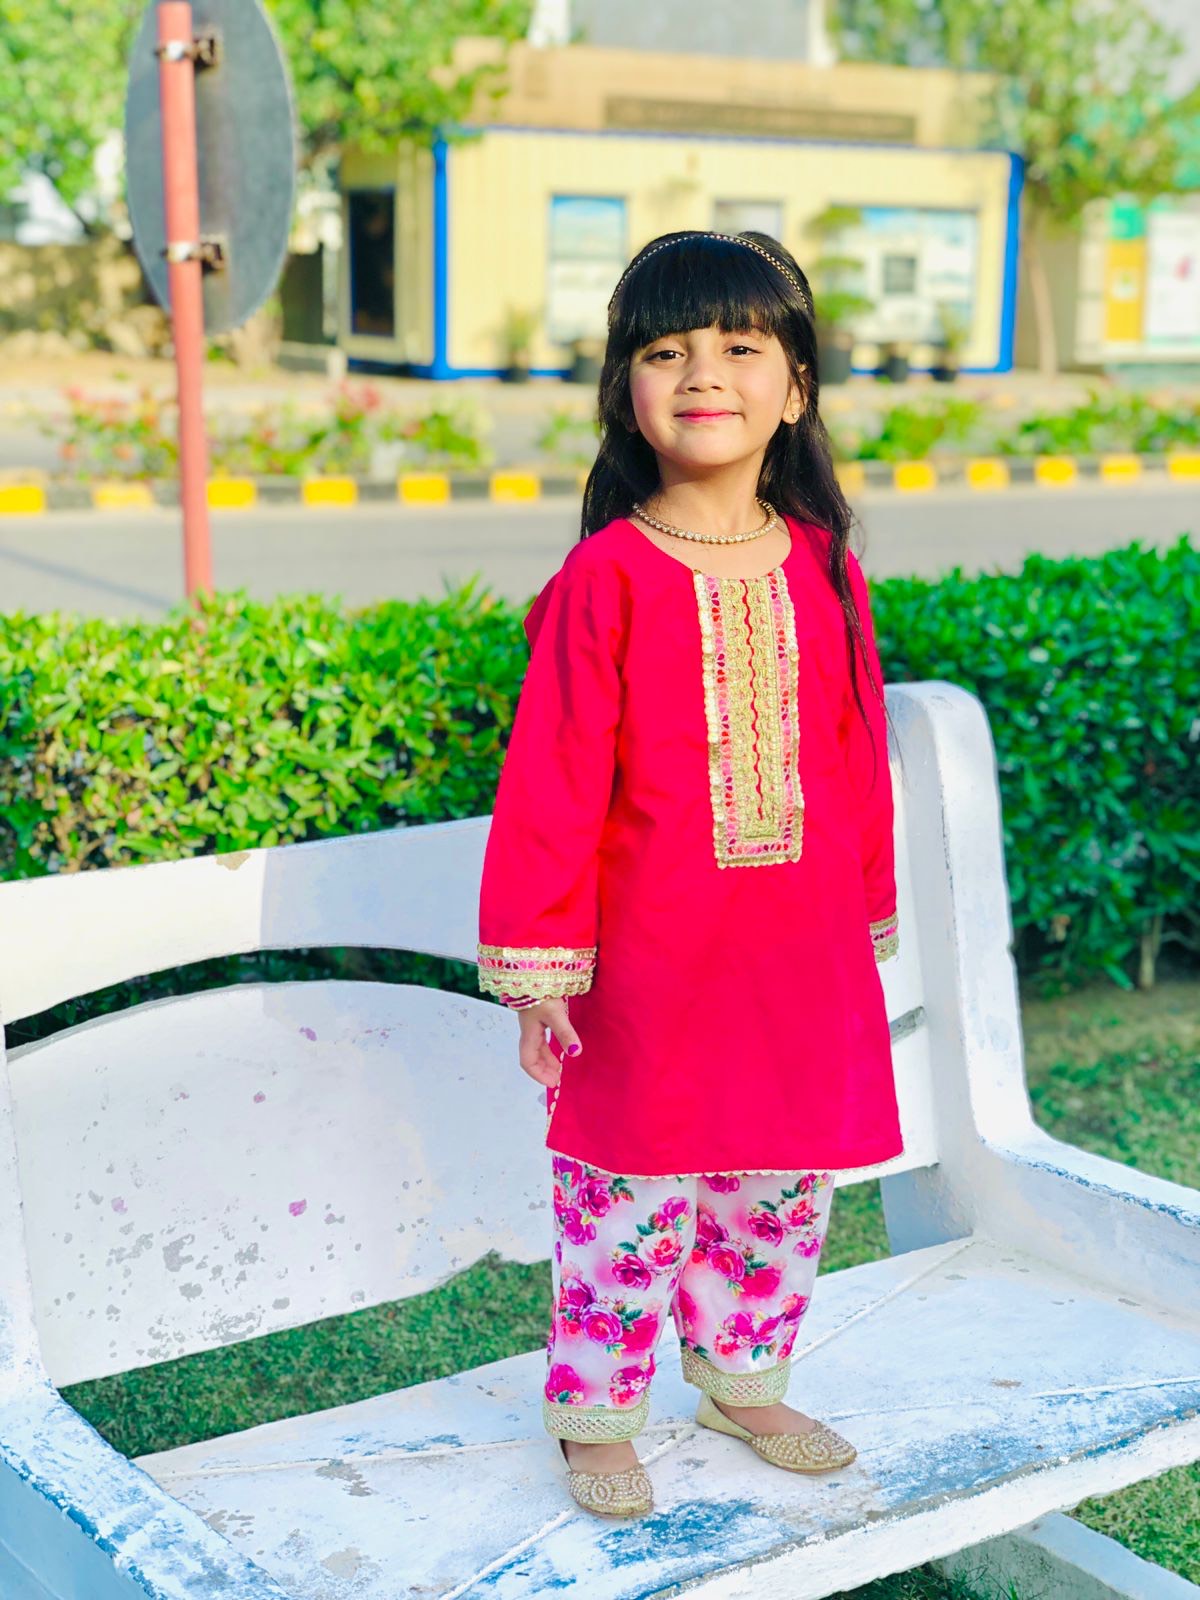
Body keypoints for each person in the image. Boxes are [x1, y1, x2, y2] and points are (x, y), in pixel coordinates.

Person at [476, 230, 904, 1519]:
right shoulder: (606, 578)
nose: (703, 372)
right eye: (665, 351)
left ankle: (742, 1378)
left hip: (797, 957)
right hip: (649, 971)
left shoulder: (824, 564)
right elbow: (551, 786)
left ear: (797, 388)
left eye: (739, 346)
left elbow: (857, 754)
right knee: (630, 1187)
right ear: (626, 393)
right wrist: (541, 971)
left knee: (780, 1183)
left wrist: (865, 919)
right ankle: (598, 1412)